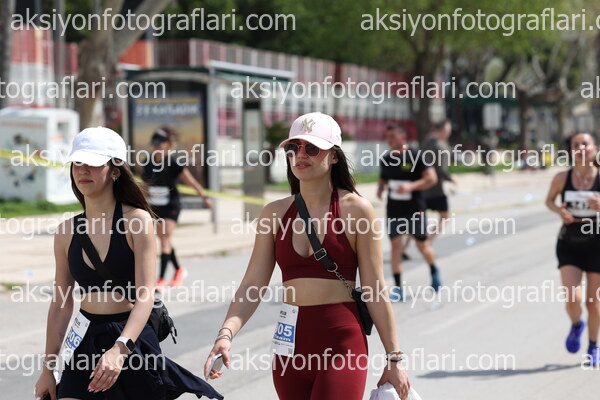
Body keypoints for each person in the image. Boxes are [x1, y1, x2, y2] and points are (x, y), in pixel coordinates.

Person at [203, 112, 410, 400]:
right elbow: (252, 284)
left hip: (341, 345)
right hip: (288, 349)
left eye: (312, 148)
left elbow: (375, 289)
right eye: (294, 147)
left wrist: (394, 359)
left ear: (334, 156)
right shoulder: (274, 213)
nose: (300, 154)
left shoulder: (357, 210)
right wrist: (226, 334)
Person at [34, 127, 222, 400]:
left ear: (115, 170)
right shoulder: (65, 231)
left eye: (93, 163)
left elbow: (146, 294)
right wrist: (48, 369)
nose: (83, 170)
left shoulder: (138, 221)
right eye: (77, 162)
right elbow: (61, 304)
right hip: (85, 337)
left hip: (131, 341)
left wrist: (120, 349)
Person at [545, 132, 600, 366]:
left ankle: (593, 346)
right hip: (570, 242)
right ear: (571, 151)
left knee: (593, 303)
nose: (581, 148)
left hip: (596, 244)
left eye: (585, 144)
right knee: (572, 299)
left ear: (595, 148)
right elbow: (549, 201)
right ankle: (577, 325)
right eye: (576, 145)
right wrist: (560, 211)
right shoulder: (561, 178)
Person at [141, 127, 212, 290]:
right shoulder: (148, 162)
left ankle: (160, 279)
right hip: (155, 206)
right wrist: (138, 202)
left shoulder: (173, 162)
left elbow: (190, 181)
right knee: (164, 239)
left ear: (167, 144)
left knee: (165, 237)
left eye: (160, 143)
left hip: (171, 205)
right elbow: (145, 185)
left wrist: (204, 197)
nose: (157, 146)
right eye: (155, 143)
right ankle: (179, 270)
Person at [377, 125, 441, 302]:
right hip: (394, 209)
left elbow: (431, 178)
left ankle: (434, 270)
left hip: (415, 209)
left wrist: (411, 186)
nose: (389, 140)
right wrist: (380, 188)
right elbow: (383, 177)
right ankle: (398, 289)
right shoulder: (386, 159)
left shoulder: (417, 155)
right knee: (395, 247)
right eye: (387, 136)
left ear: (402, 137)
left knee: (422, 245)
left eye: (393, 136)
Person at [422, 120, 456, 240]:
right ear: (443, 131)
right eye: (448, 130)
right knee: (445, 217)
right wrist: (451, 178)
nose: (449, 133)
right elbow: (441, 169)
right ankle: (427, 242)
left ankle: (405, 245)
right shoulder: (441, 146)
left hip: (422, 187)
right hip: (437, 189)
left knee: (417, 218)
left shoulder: (425, 143)